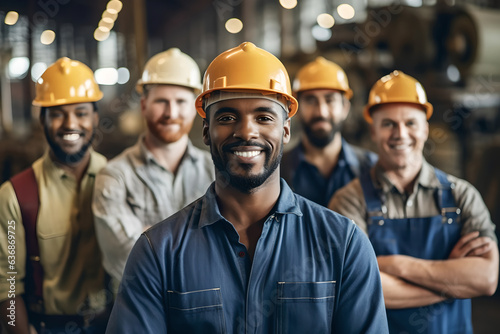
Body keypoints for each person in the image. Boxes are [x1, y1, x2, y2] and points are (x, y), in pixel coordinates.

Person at [105, 42, 388, 333]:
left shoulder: (344, 245)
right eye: (227, 118)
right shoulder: (158, 253)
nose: (246, 132)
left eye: (264, 117)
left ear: (286, 129)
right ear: (205, 130)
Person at [329, 70, 499, 333]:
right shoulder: (348, 201)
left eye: (410, 123)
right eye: (388, 124)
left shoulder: (461, 195)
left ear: (426, 129)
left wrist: (393, 264)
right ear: (373, 131)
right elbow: (357, 288)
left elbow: (486, 279)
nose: (400, 134)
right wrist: (451, 284)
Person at [0, 57, 110, 333]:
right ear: (43, 120)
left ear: (95, 117)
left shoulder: (121, 181)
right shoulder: (15, 195)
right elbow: (8, 287)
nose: (70, 124)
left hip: (113, 323)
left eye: (81, 113)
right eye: (58, 113)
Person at [92, 48, 214, 283]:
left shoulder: (215, 172)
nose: (171, 113)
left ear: (196, 107)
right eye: (161, 102)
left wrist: (148, 237)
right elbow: (125, 261)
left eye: (180, 102)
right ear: (144, 105)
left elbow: (228, 250)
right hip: (141, 313)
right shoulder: (114, 176)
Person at [281, 57, 376, 206]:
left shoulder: (371, 169)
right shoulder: (278, 170)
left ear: (345, 108)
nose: (321, 112)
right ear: (296, 109)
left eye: (330, 100)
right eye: (311, 101)